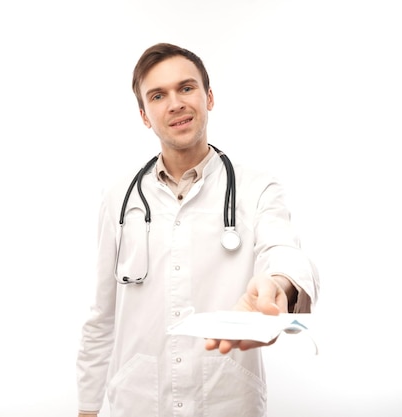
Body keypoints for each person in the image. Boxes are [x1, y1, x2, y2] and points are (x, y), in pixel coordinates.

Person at [77, 42, 319, 417]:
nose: (175, 103)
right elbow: (102, 314)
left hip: (227, 400)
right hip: (138, 402)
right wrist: (87, 409)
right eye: (158, 95)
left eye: (186, 88)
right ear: (144, 115)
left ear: (208, 97)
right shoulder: (118, 197)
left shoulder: (257, 187)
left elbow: (284, 251)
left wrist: (279, 284)